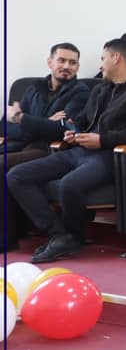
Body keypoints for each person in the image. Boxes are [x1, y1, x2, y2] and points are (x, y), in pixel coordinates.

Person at [8, 39, 126, 263]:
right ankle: (60, 235)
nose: (101, 65)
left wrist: (103, 140)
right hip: (81, 150)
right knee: (17, 176)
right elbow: (81, 120)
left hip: (113, 155)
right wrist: (72, 132)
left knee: (70, 184)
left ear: (116, 58)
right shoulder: (102, 88)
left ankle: (74, 236)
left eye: (103, 58)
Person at [4, 43, 90, 246]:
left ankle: (7, 236)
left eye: (72, 62)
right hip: (22, 145)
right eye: (61, 60)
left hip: (50, 150)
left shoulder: (80, 92)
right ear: (50, 62)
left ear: (78, 67)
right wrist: (42, 122)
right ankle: (16, 230)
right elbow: (6, 127)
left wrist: (22, 119)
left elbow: (61, 130)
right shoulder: (35, 88)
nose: (66, 66)